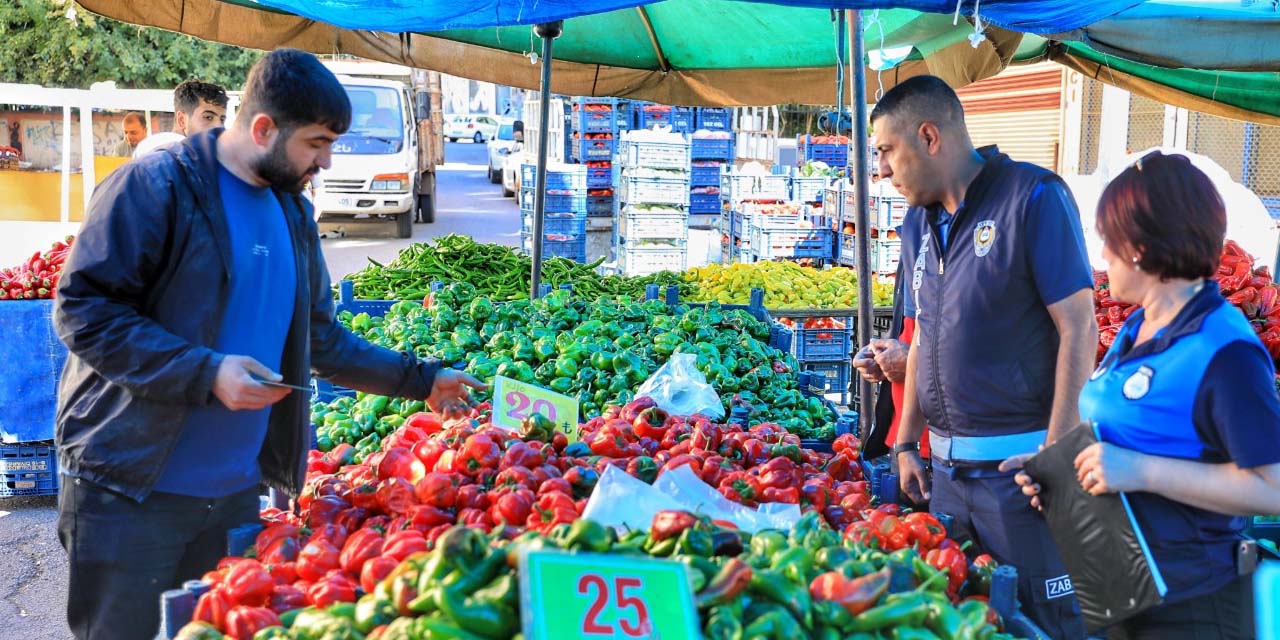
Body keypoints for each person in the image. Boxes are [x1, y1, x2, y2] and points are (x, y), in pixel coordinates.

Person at [53, 48, 483, 640]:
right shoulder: (156, 186)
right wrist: (204, 372)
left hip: (232, 498)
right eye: (316, 143)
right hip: (130, 492)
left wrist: (419, 379)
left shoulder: (292, 214)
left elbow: (320, 338)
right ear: (263, 129)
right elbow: (83, 309)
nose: (327, 161)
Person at [1013, 152, 1280, 639]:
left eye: (1108, 241)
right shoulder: (1137, 325)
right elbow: (1132, 434)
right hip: (1123, 588)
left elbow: (1273, 487)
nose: (1102, 257)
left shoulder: (1226, 349)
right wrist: (1059, 475)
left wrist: (1140, 471)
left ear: (1141, 248)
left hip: (1193, 605)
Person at [875, 75, 1097, 638]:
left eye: (885, 150)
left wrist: (1058, 457)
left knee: (1045, 624)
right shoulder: (916, 225)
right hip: (947, 479)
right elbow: (925, 331)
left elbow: (1080, 325)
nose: (881, 170)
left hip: (1022, 480)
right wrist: (905, 441)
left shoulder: (1033, 197)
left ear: (928, 137)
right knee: (968, 620)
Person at [133, 80, 229, 157]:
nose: (219, 127)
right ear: (182, 120)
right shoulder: (178, 155)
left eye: (222, 120)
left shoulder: (145, 147)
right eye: (208, 117)